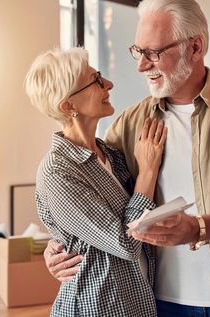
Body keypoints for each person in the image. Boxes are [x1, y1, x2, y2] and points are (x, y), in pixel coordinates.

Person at [44, 0, 210, 317]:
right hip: (157, 302)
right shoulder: (129, 124)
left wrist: (199, 227)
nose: (142, 65)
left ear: (195, 47)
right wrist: (58, 246)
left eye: (154, 53)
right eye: (138, 52)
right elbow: (97, 205)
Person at [24, 46, 167, 316]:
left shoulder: (110, 153)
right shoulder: (57, 171)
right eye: (96, 81)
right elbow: (126, 243)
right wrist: (148, 171)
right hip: (97, 307)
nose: (109, 84)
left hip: (133, 302)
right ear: (68, 106)